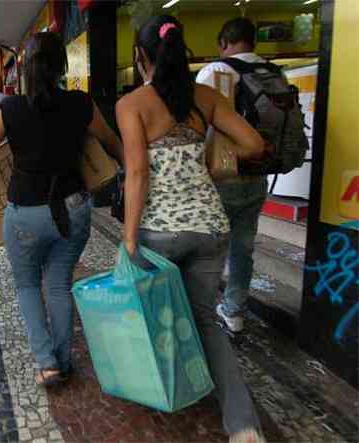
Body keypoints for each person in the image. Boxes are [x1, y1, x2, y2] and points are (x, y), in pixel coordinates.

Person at [116, 16, 266, 443]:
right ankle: (243, 425)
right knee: (204, 320)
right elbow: (254, 144)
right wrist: (208, 164)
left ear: (140, 56)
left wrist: (128, 240)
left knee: (155, 315)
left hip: (157, 233)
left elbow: (138, 172)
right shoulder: (206, 97)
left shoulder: (132, 105)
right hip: (209, 227)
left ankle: (169, 394)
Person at [0, 32, 123, 387]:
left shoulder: (9, 109)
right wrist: (133, 173)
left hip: (26, 213)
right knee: (58, 284)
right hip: (73, 210)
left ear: (24, 69)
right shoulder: (82, 103)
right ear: (62, 67)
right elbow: (111, 143)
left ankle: (47, 363)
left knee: (27, 286)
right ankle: (64, 360)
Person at [195, 18, 270, 333]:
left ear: (223, 41)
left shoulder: (217, 72)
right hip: (259, 174)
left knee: (207, 249)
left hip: (223, 175)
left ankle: (201, 315)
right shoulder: (271, 72)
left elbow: (198, 125)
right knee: (243, 246)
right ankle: (235, 313)